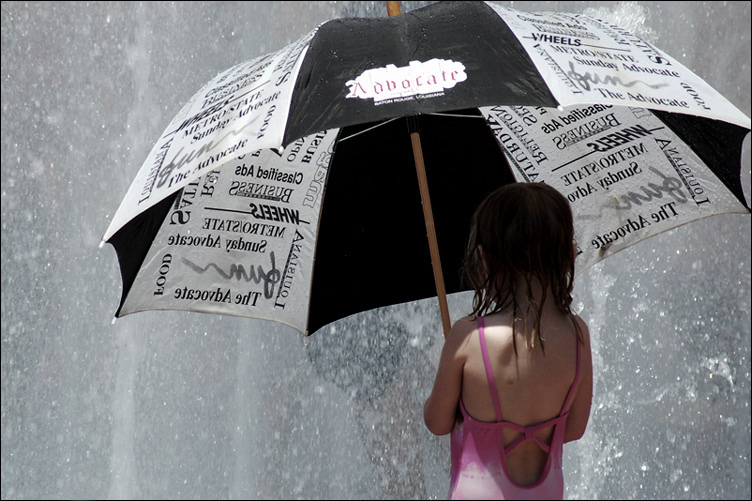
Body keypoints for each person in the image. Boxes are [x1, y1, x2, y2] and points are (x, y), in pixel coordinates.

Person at [424, 182, 593, 500]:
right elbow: (574, 429)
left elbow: (437, 422)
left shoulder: (469, 337)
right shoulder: (577, 335)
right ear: (567, 254)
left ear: (485, 259)